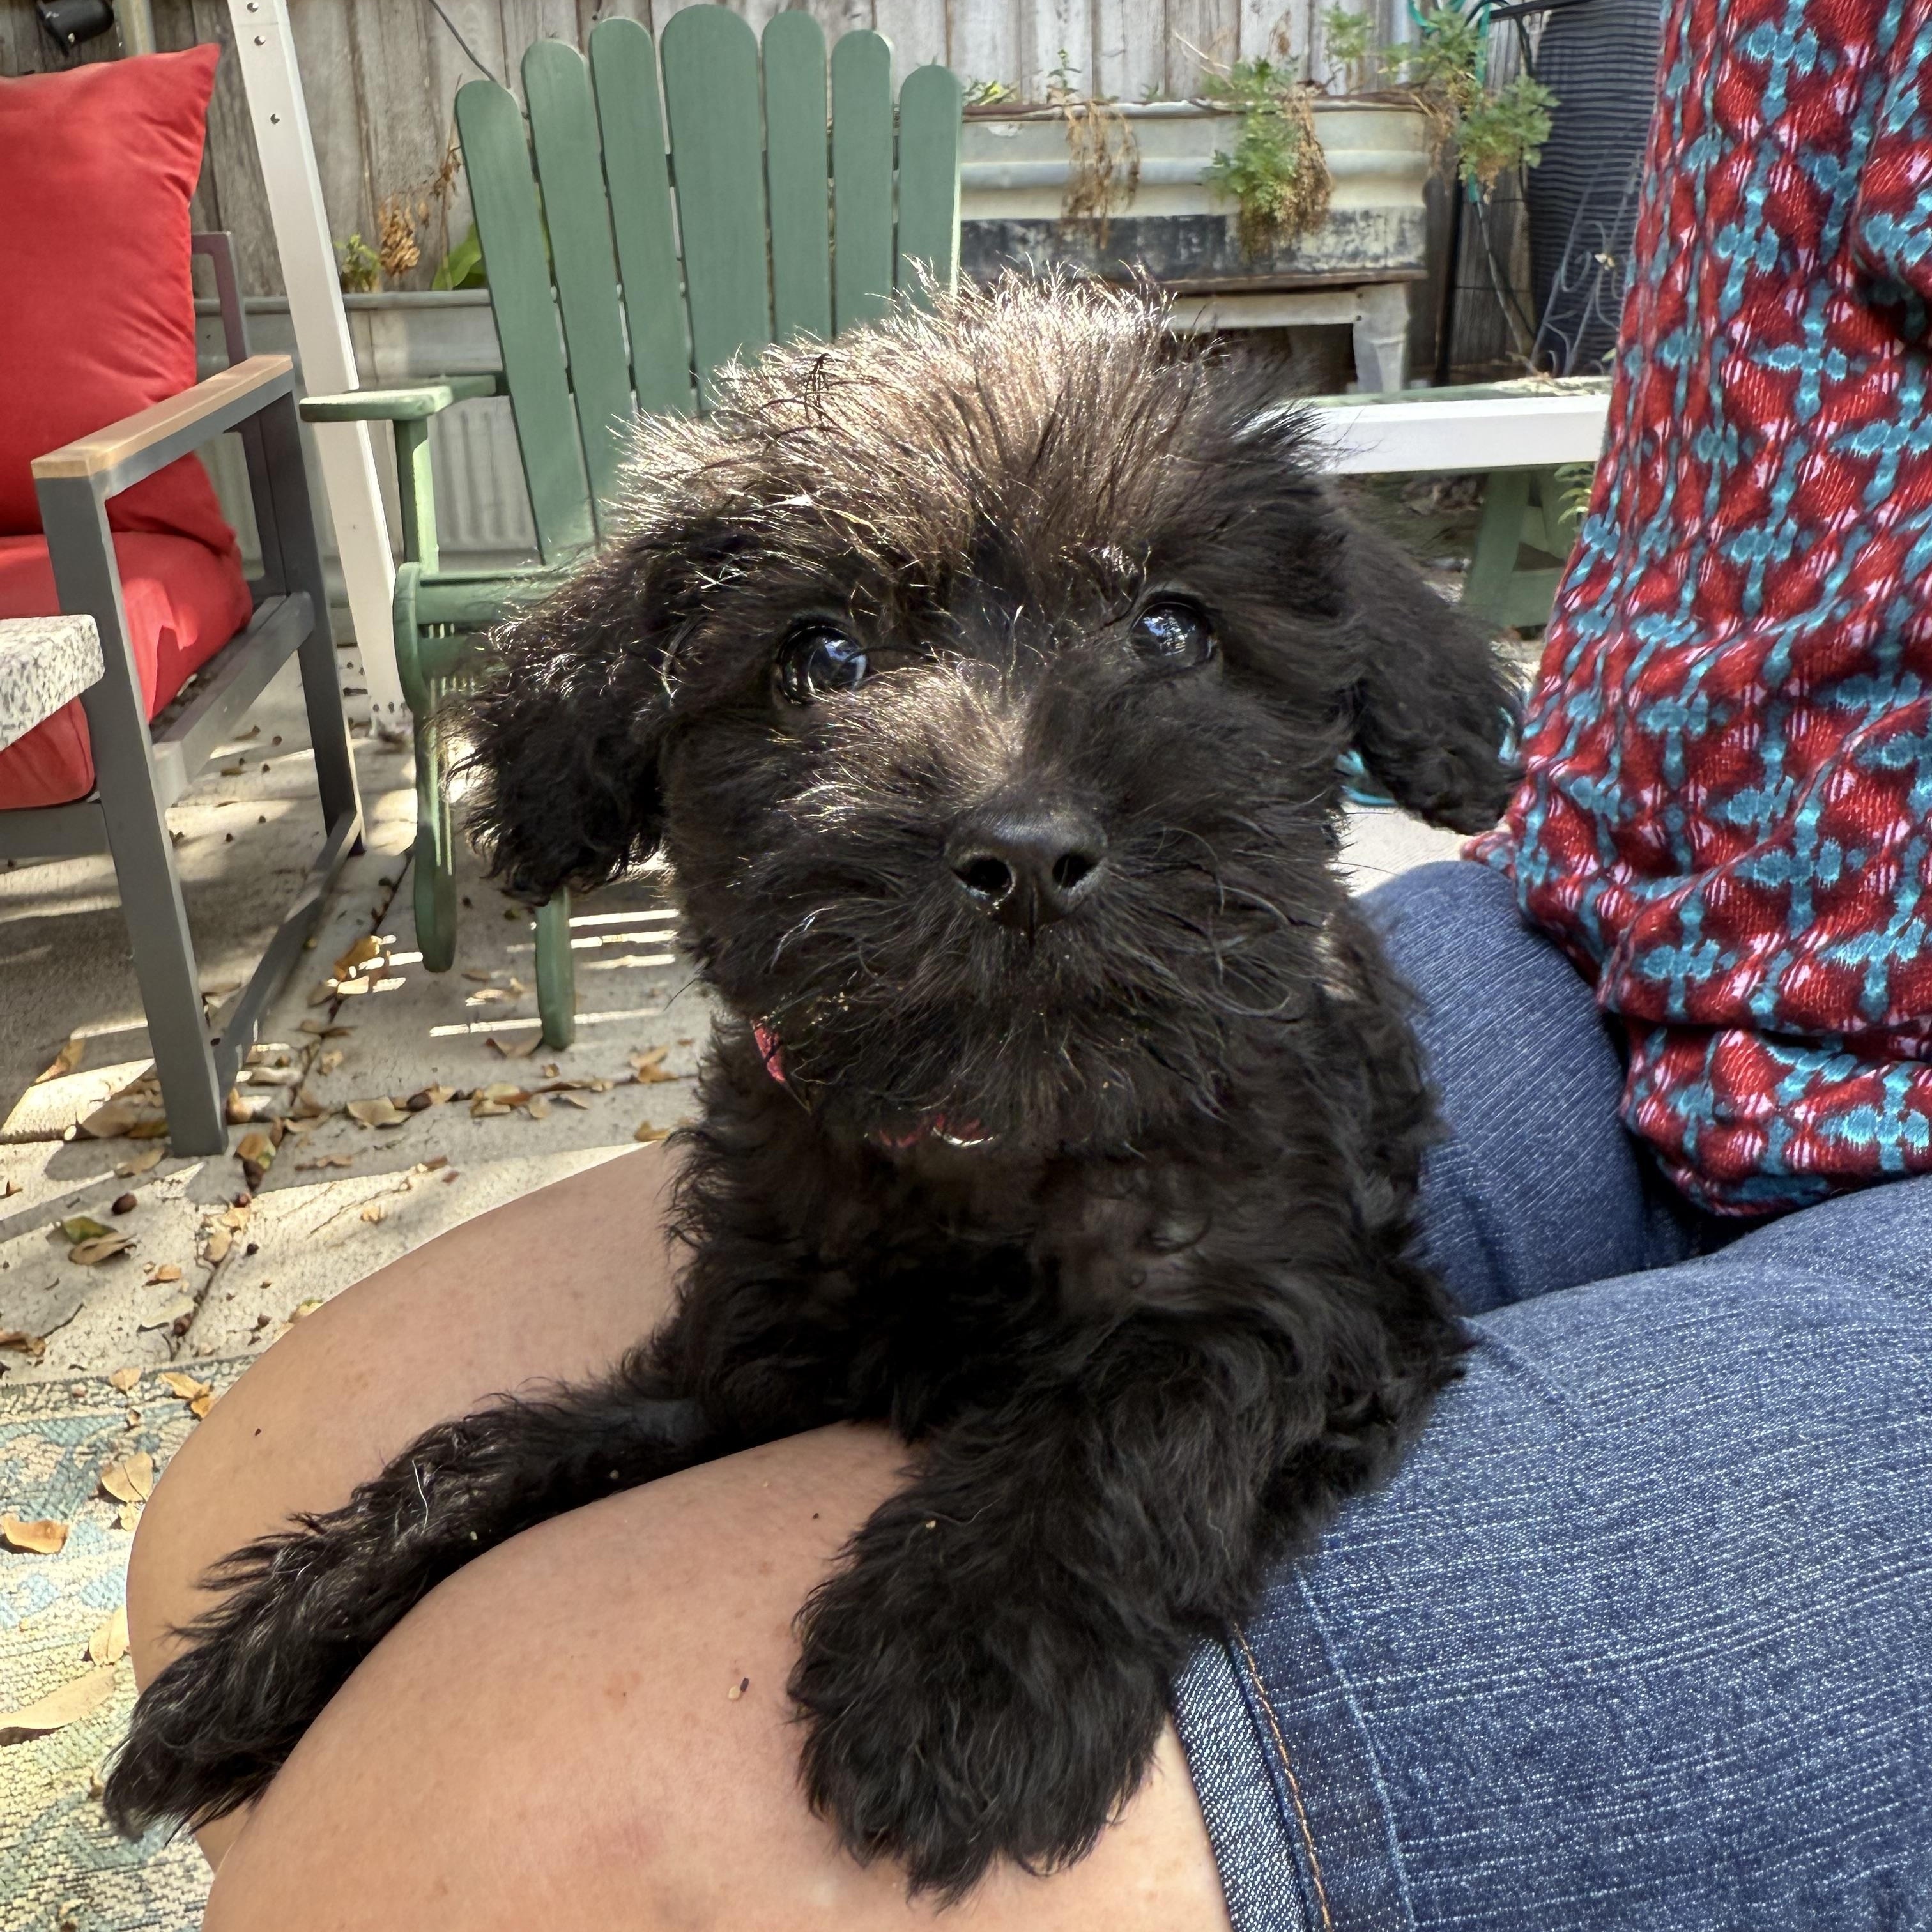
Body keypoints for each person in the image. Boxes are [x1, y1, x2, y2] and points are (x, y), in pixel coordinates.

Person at [127, 0, 1932, 1922]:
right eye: (822, 667)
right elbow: (737, 1384)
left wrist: (1076, 1536)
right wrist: (443, 1522)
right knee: (259, 1493)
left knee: (555, 1818)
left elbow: (1325, 1336)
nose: (1018, 803)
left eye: (1166, 628)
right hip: (1654, 925)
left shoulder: (1246, 1124)